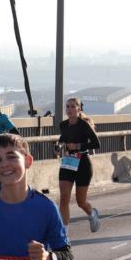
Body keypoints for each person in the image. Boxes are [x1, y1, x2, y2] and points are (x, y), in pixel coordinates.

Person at [55, 97, 101, 232]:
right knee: (64, 198)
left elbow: (97, 144)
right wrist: (59, 146)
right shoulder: (63, 125)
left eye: (72, 106)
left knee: (81, 201)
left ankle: (92, 214)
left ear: (78, 108)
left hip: (83, 164)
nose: (69, 109)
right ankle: (65, 233)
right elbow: (62, 140)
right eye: (67, 107)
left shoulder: (84, 124)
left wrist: (78, 145)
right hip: (68, 161)